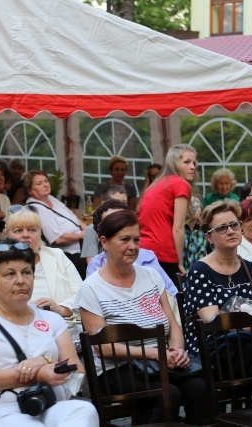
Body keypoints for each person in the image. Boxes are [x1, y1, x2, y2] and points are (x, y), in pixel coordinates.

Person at [76, 210, 208, 425]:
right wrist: (155, 354)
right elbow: (103, 348)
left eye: (137, 240)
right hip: (117, 369)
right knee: (167, 394)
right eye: (125, 239)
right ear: (104, 242)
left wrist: (177, 350)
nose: (133, 246)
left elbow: (173, 326)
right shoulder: (91, 288)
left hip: (159, 362)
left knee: (199, 387)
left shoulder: (151, 276)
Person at [0, 239, 98, 427]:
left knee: (84, 411)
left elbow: (77, 373)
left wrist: (46, 362)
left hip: (49, 404)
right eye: (10, 274)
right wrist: (35, 375)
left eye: (26, 272)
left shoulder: (52, 320)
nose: (20, 280)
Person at [183, 200, 252, 407]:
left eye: (234, 224)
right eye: (221, 228)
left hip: (249, 346)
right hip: (215, 350)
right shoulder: (199, 271)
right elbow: (215, 321)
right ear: (209, 237)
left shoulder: (251, 269)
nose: (231, 231)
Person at [4, 205, 82, 318]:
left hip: (62, 327)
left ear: (40, 233)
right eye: (18, 230)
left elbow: (82, 295)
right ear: (7, 235)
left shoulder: (57, 256)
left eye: (32, 230)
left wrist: (60, 308)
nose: (25, 235)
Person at [138, 144, 198, 277]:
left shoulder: (157, 184)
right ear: (174, 163)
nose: (193, 167)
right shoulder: (180, 184)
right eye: (186, 162)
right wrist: (180, 263)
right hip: (163, 252)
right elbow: (178, 228)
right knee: (172, 297)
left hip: (143, 250)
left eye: (194, 162)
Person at [24, 170, 86, 275]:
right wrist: (82, 235)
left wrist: (85, 227)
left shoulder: (51, 198)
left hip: (81, 246)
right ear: (30, 190)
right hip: (68, 254)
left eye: (46, 181)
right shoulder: (36, 207)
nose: (45, 185)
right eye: (39, 183)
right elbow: (58, 239)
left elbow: (71, 215)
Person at [81, 187, 128, 264]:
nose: (121, 208)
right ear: (104, 204)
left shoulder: (130, 227)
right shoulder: (93, 230)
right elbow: (92, 264)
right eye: (115, 203)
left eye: (124, 203)